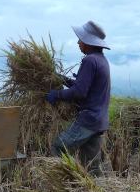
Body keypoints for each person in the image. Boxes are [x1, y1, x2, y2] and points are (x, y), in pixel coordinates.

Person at [45, 20, 111, 174]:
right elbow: (85, 86)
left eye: (81, 39)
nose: (78, 42)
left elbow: (79, 92)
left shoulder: (89, 60)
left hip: (88, 120)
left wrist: (58, 94)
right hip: (99, 121)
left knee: (59, 147)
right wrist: (63, 79)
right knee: (92, 168)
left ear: (88, 42)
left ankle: (63, 185)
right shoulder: (101, 60)